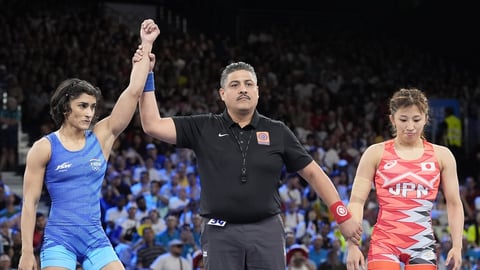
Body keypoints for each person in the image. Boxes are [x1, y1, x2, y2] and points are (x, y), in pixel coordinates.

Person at [138, 59, 362, 269]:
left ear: (258, 91)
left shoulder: (277, 131)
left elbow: (314, 173)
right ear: (222, 94)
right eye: (235, 85)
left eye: (248, 84)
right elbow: (151, 125)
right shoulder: (204, 126)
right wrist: (147, 73)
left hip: (267, 230)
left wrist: (342, 216)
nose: (243, 89)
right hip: (219, 231)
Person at [18, 19, 160, 270]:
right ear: (65, 108)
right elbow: (29, 203)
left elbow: (133, 91)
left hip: (95, 239)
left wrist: (146, 45)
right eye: (83, 105)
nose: (89, 113)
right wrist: (27, 252)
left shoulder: (102, 136)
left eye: (93, 107)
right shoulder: (45, 147)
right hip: (60, 239)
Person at [346, 88, 464, 270]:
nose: (410, 126)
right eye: (403, 119)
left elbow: (454, 203)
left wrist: (457, 246)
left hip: (422, 244)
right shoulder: (375, 153)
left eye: (416, 120)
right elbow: (356, 202)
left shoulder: (442, 155)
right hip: (384, 242)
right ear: (392, 119)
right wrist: (352, 246)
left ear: (426, 118)